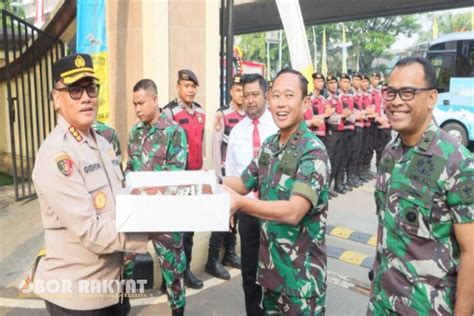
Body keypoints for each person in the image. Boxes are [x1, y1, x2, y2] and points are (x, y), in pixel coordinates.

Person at [31, 53, 149, 315]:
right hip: (78, 297)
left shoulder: (104, 144)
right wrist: (147, 232)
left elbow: (119, 204)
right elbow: (90, 231)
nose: (86, 97)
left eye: (91, 88)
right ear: (56, 100)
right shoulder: (57, 155)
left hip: (112, 287)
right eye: (74, 90)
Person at [368, 56, 474, 315]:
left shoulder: (456, 161)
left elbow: (471, 251)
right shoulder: (390, 153)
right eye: (390, 92)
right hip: (383, 304)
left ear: (431, 98)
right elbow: (386, 226)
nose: (395, 101)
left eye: (407, 92)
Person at [223, 69, 330, 315]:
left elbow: (294, 211)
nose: (281, 103)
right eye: (277, 96)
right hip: (271, 274)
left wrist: (240, 204)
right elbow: (242, 182)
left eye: (289, 96)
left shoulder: (312, 151)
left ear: (304, 103)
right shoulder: (270, 146)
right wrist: (209, 181)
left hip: (301, 280)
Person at [126, 79, 187, 316]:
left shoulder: (174, 132)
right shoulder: (135, 132)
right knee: (126, 264)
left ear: (154, 99)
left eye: (141, 103)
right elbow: (131, 165)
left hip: (165, 215)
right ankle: (123, 307)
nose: (138, 109)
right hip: (138, 213)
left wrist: (146, 188)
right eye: (134, 104)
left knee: (173, 271)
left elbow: (176, 174)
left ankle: (177, 310)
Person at [225, 73, 278, 316]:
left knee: (276, 271)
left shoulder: (278, 126)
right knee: (249, 272)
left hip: (275, 211)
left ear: (266, 95)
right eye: (245, 96)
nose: (250, 100)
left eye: (255, 95)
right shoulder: (236, 132)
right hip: (247, 210)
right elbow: (233, 173)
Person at [163, 69, 205, 289]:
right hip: (176, 178)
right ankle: (168, 276)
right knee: (172, 230)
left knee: (189, 229)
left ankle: (186, 270)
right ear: (178, 87)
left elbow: (200, 143)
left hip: (195, 177)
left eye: (193, 86)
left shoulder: (200, 112)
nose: (190, 90)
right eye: (186, 86)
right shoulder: (169, 113)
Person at [206, 75, 244, 280]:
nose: (241, 94)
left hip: (238, 175)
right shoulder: (223, 114)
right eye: (238, 90)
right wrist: (218, 176)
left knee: (235, 215)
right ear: (231, 92)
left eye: (243, 90)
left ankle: (230, 253)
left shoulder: (247, 115)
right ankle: (212, 260)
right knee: (221, 216)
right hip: (224, 174)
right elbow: (215, 146)